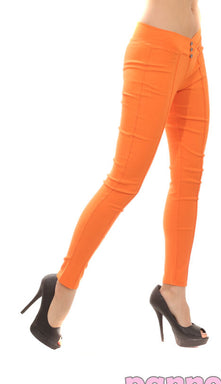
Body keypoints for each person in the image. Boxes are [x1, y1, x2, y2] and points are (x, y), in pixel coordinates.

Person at [21, 0, 209, 349]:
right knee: (124, 182)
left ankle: (174, 291)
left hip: (193, 53)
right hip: (155, 52)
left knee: (188, 181)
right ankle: (62, 285)